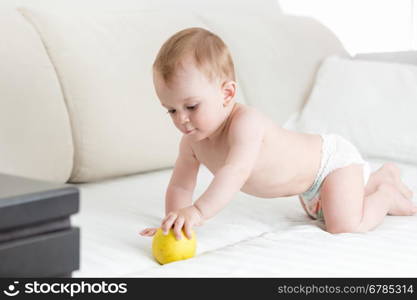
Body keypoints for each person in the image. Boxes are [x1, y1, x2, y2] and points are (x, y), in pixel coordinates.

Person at [140, 27, 415, 241]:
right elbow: (180, 186)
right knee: (326, 211)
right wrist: (173, 221)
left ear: (227, 94)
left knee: (344, 226)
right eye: (171, 111)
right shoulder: (191, 143)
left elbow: (234, 173)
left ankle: (386, 194)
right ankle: (380, 175)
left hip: (330, 164)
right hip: (307, 188)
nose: (182, 119)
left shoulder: (246, 124)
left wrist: (198, 212)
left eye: (191, 106)